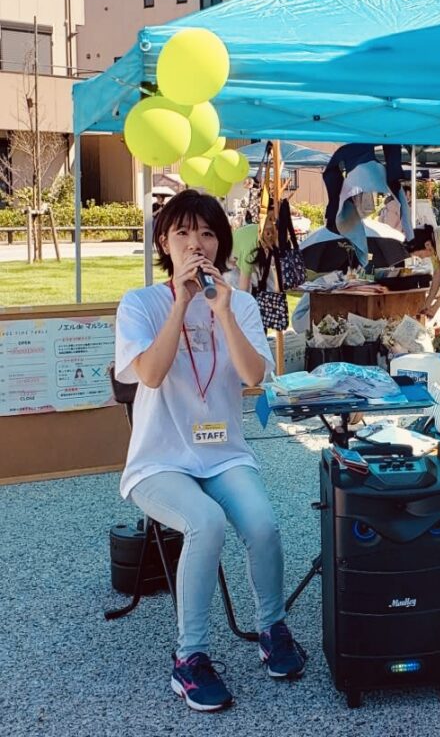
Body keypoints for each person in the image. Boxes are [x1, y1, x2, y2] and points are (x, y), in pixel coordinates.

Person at [114, 190, 305, 713]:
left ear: (221, 243)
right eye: (182, 233)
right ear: (163, 242)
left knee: (263, 524)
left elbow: (253, 376)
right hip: (159, 461)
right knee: (206, 522)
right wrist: (181, 301)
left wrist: (221, 310)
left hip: (223, 455)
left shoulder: (239, 303)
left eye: (206, 233)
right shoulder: (140, 304)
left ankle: (272, 628)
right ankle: (190, 657)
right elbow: (150, 374)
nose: (195, 244)